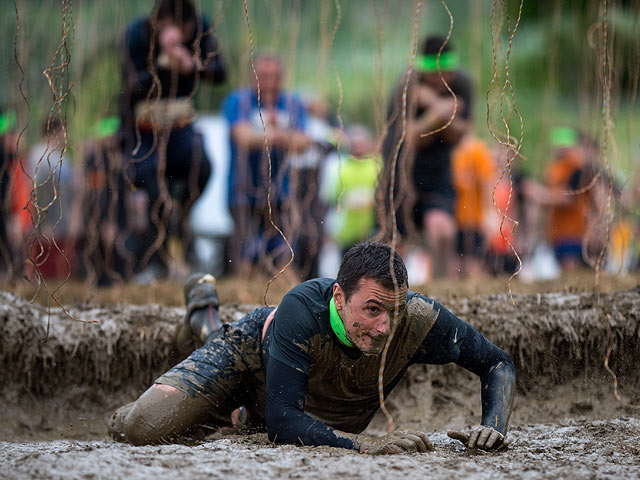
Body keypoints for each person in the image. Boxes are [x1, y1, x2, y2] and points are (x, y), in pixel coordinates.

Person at [109, 241, 515, 453]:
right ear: (339, 296)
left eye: (394, 311)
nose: (384, 327)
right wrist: (365, 444)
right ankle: (206, 321)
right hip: (252, 352)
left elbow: (498, 364)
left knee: (251, 419)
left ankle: (206, 326)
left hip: (284, 397)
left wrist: (493, 429)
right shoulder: (302, 309)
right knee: (142, 429)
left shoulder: (418, 319)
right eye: (372, 310)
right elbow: (283, 422)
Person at [118, 0, 227, 277]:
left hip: (181, 129)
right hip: (144, 132)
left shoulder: (198, 26)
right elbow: (131, 85)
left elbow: (220, 72)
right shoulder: (136, 34)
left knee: (202, 166)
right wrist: (164, 64)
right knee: (151, 185)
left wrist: (194, 66)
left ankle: (181, 216)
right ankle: (156, 257)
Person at [380, 35, 473, 279]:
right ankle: (392, 291)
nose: (443, 80)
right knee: (394, 242)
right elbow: (408, 139)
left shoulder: (462, 83)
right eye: (435, 75)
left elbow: (462, 134)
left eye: (448, 73)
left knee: (443, 232)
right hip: (400, 169)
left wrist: (435, 113)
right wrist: (438, 114)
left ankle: (443, 291)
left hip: (438, 170)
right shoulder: (406, 85)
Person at [222, 53, 311, 274]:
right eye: (264, 76)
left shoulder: (292, 102)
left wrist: (268, 135)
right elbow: (242, 137)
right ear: (254, 77)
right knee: (244, 257)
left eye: (275, 76)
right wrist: (280, 135)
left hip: (281, 192)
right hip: (243, 190)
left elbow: (303, 142)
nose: (269, 82)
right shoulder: (238, 101)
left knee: (284, 258)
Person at [451, 135, 495, 276]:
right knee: (457, 259)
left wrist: (488, 211)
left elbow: (486, 181)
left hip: (475, 218)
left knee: (473, 260)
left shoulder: (476, 150)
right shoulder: (452, 150)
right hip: (457, 218)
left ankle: (474, 287)